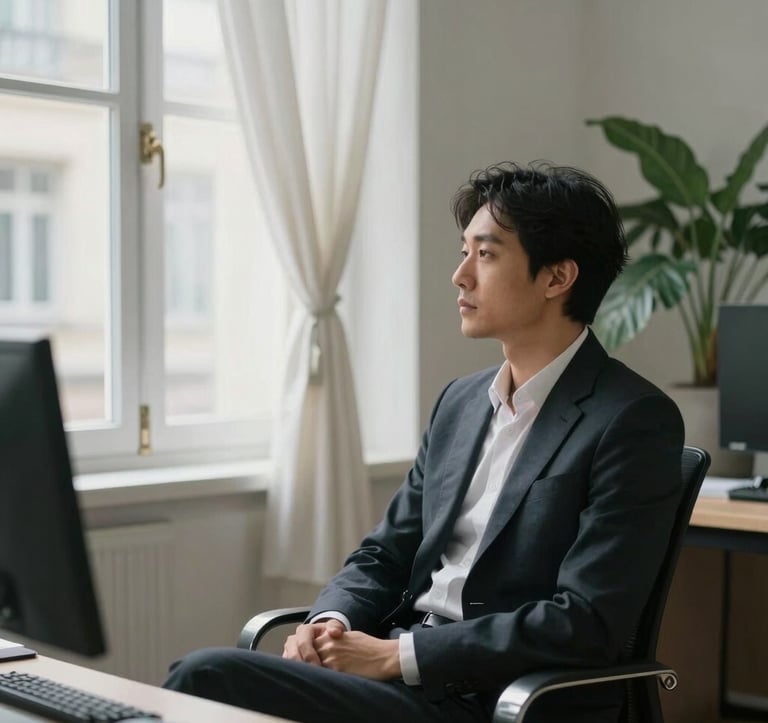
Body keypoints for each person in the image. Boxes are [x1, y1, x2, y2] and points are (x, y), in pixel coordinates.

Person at [163, 162, 684, 723]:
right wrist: (331, 623)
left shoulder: (631, 419)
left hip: (497, 699)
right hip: (398, 679)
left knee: (207, 676)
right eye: (465, 252)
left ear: (557, 278)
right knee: (205, 680)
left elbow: (585, 620)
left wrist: (397, 656)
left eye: (485, 254)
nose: (460, 276)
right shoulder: (460, 404)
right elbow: (385, 553)